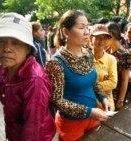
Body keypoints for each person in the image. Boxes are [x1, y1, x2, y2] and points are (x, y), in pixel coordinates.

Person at [0, 12, 57, 141]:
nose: (6, 49)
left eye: (16, 43)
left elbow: (33, 128)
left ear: (28, 48)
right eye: (1, 41)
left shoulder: (34, 80)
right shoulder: (5, 67)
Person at [45, 10, 109, 141]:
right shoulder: (56, 63)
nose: (87, 32)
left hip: (93, 118)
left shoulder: (88, 54)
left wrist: (103, 97)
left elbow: (93, 81)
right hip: (71, 125)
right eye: (81, 27)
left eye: (87, 27)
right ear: (66, 32)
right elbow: (56, 100)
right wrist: (88, 111)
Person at [91, 24, 118, 111]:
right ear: (91, 38)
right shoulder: (83, 57)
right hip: (89, 105)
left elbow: (113, 83)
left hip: (106, 106)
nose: (101, 41)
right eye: (98, 37)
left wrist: (90, 86)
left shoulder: (111, 59)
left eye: (105, 38)